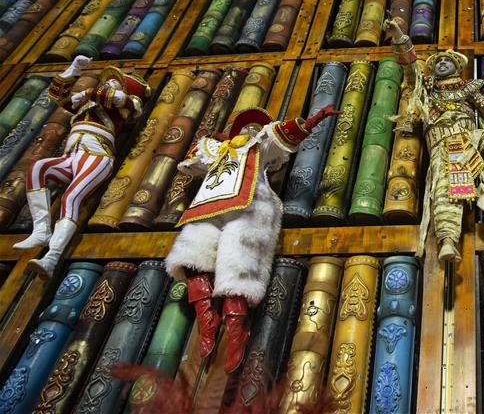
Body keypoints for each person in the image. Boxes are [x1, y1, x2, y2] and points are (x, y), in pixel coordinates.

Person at [164, 105, 338, 372]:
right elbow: (190, 162)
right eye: (245, 127)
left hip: (251, 203)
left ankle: (236, 331)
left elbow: (288, 132)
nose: (249, 130)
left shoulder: (260, 146)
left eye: (254, 127)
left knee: (240, 262)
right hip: (210, 203)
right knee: (191, 252)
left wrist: (314, 119)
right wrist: (212, 141)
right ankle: (206, 316)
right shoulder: (219, 151)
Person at [383, 17, 484, 262]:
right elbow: (410, 67)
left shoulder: (470, 90)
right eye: (437, 62)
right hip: (444, 142)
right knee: (446, 186)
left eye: (447, 61)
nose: (441, 64)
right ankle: (448, 241)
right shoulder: (426, 88)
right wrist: (399, 36)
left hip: (471, 138)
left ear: (458, 67)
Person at [13, 56, 150, 277]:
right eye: (108, 81)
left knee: (70, 198)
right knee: (38, 167)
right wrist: (73, 69)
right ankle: (41, 229)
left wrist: (86, 93)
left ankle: (52, 257)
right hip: (73, 153)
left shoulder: (129, 104)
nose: (107, 84)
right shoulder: (88, 105)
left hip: (97, 155)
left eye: (114, 82)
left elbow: (115, 98)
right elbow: (59, 97)